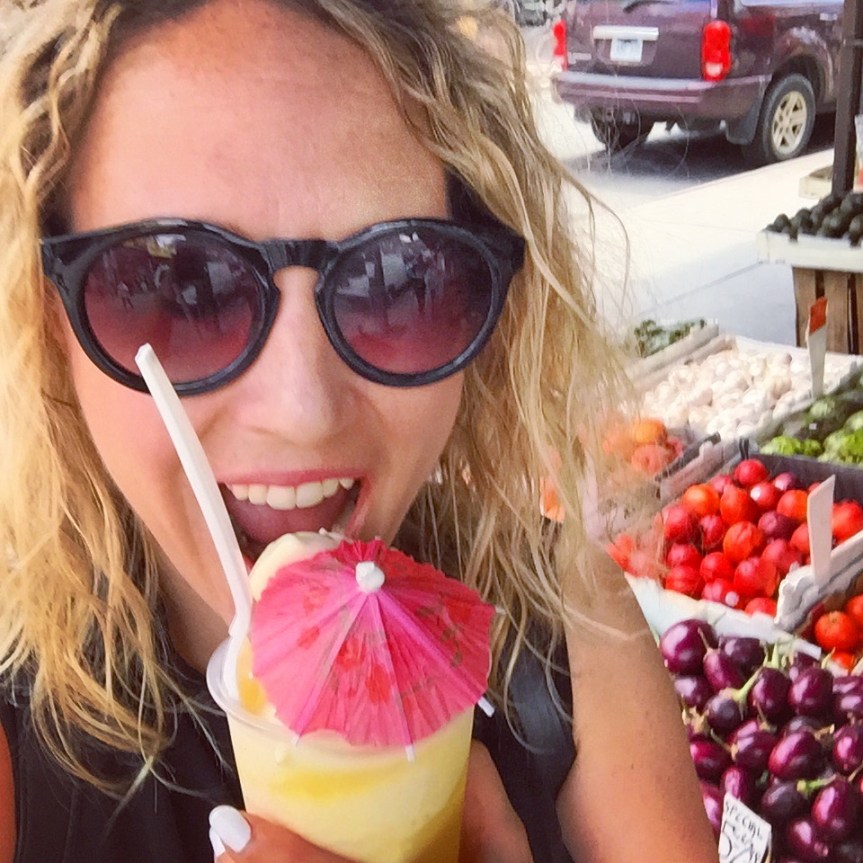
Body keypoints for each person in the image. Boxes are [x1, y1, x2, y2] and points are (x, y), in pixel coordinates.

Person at [0, 1, 718, 861]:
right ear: (52, 322)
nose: (303, 409)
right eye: (178, 283)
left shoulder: (562, 627)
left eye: (397, 279)